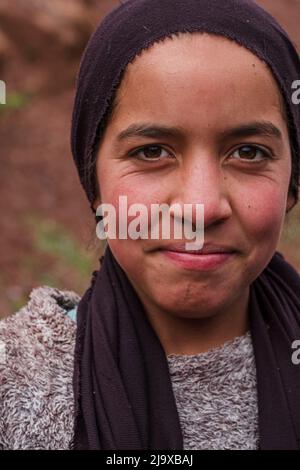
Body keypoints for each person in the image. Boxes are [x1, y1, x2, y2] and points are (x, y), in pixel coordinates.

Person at [1, 0, 300, 450]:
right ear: (94, 182)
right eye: (152, 151)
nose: (200, 208)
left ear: (293, 183)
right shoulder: (14, 383)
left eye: (249, 152)